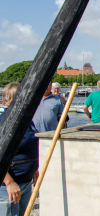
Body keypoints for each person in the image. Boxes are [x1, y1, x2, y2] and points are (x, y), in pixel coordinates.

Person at [0, 83, 39, 216]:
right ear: (5, 101)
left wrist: (34, 168)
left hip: (26, 183)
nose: (21, 102)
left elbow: (30, 145)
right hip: (8, 187)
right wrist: (9, 182)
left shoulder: (27, 121)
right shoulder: (3, 123)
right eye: (15, 98)